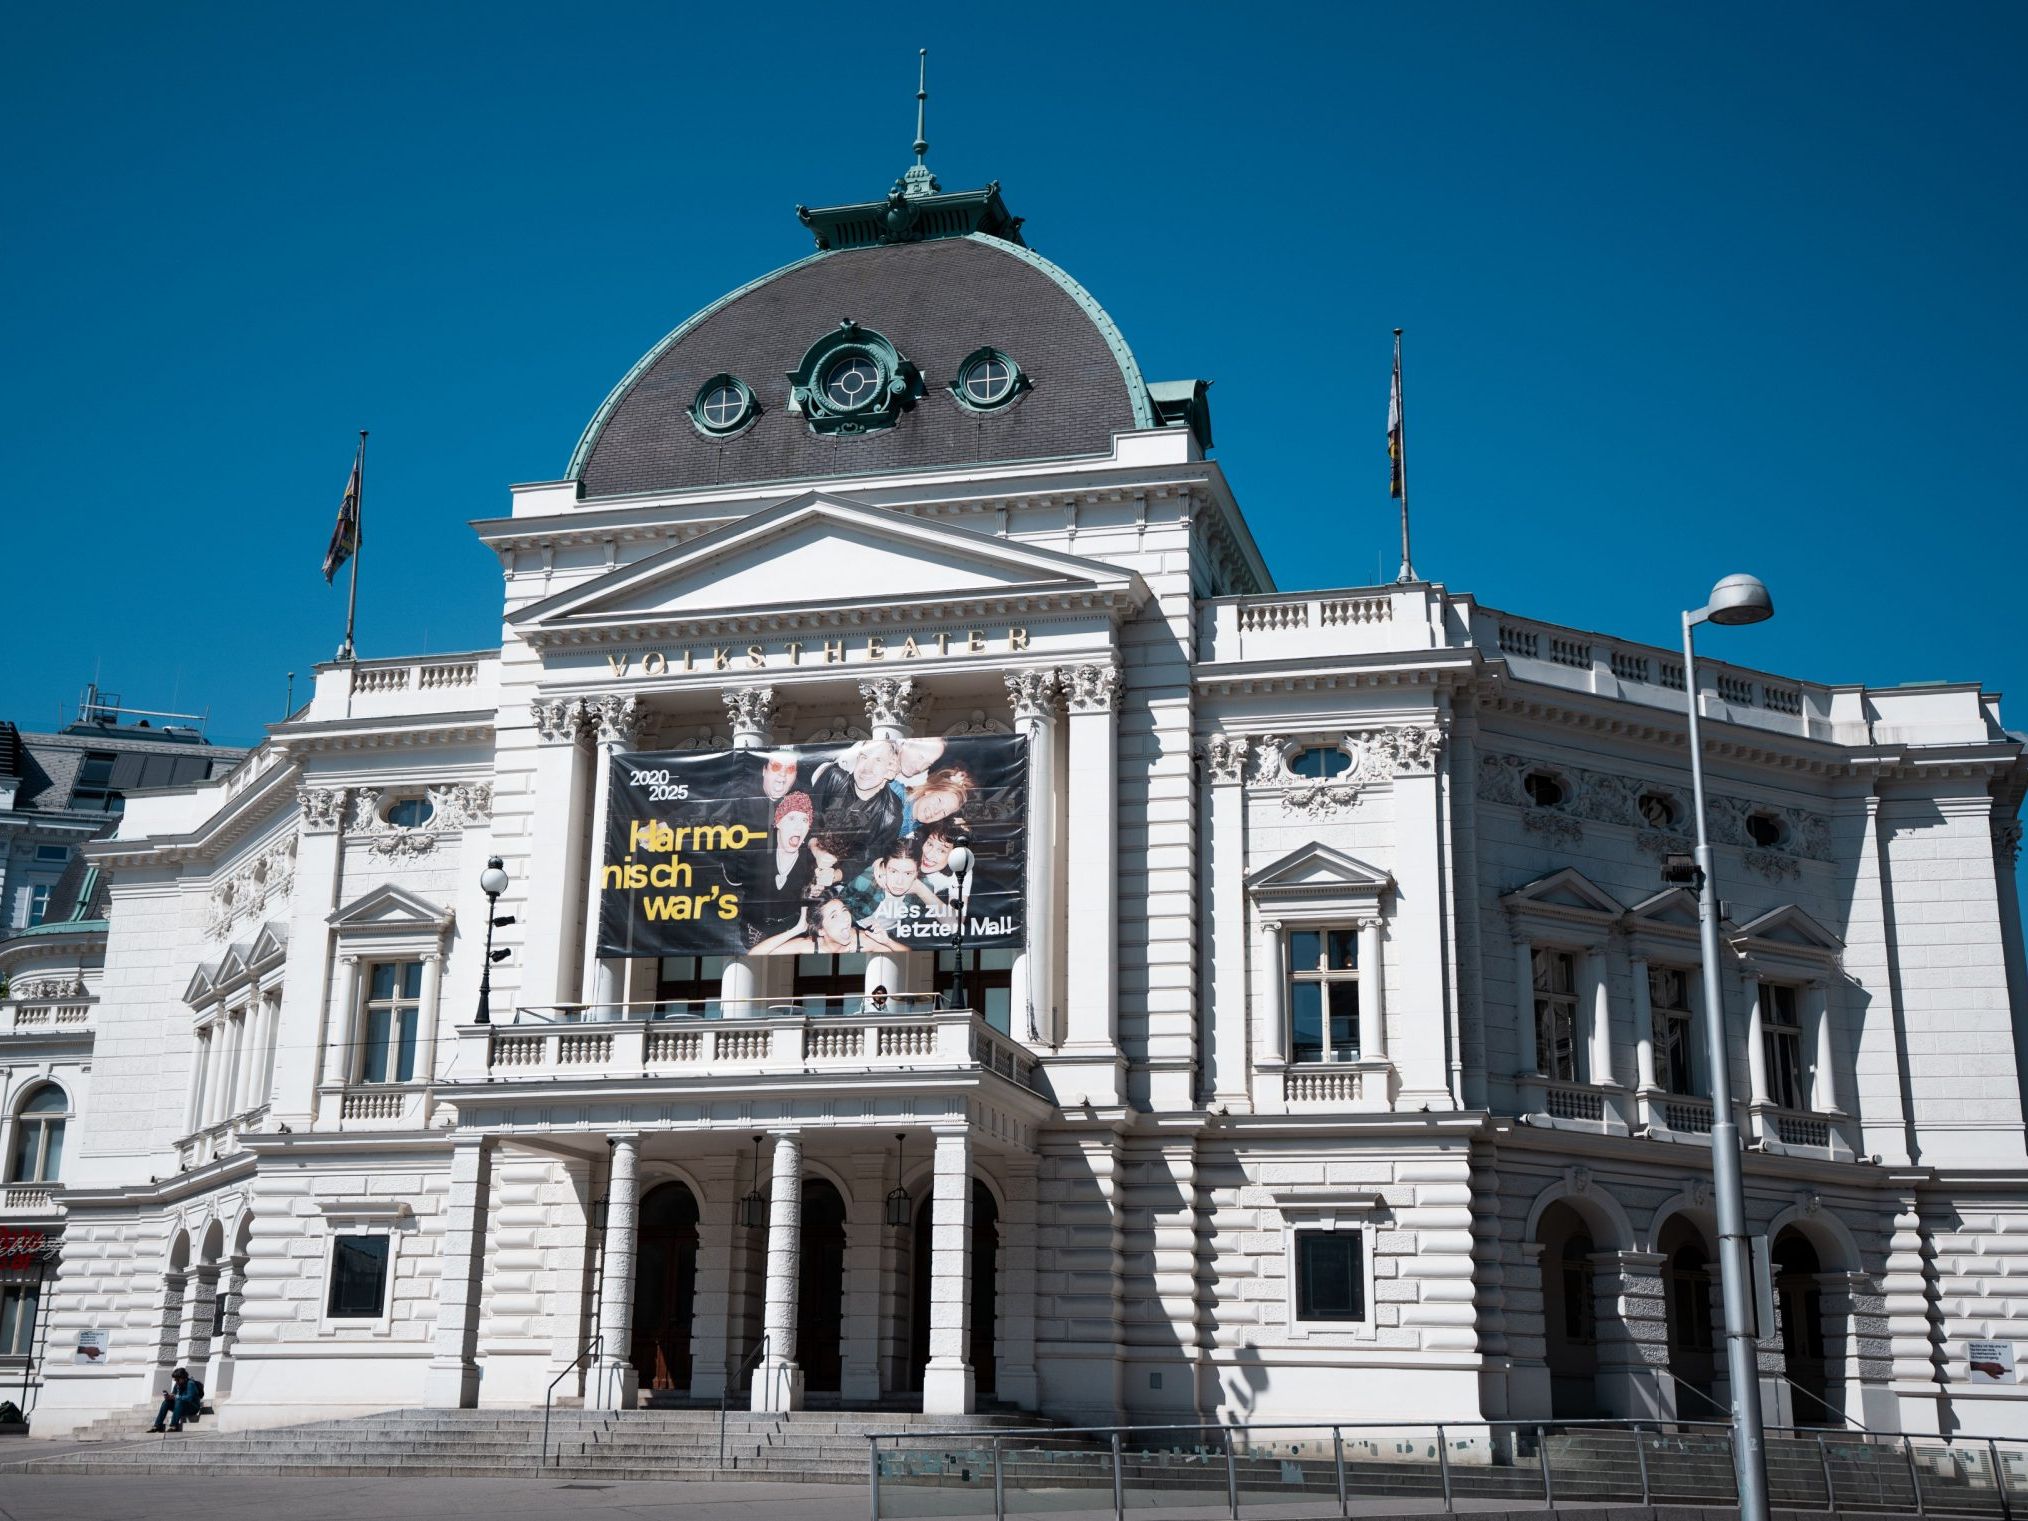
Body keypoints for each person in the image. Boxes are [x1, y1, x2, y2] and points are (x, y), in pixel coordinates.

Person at [749, 889, 905, 956]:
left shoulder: (864, 940)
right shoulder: (810, 946)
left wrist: (888, 942)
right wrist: (796, 929)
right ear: (821, 930)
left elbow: (908, 954)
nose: (845, 918)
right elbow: (754, 954)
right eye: (834, 916)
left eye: (844, 910)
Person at [149, 1367, 203, 1432]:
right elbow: (174, 1395)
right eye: (175, 1380)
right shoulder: (177, 1385)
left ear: (183, 1378)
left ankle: (174, 1425)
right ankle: (158, 1425)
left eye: (178, 1380)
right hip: (181, 1407)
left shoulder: (190, 1384)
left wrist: (176, 1397)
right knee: (166, 1402)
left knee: (179, 1400)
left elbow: (189, 1398)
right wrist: (169, 1397)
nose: (176, 1381)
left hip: (193, 1408)